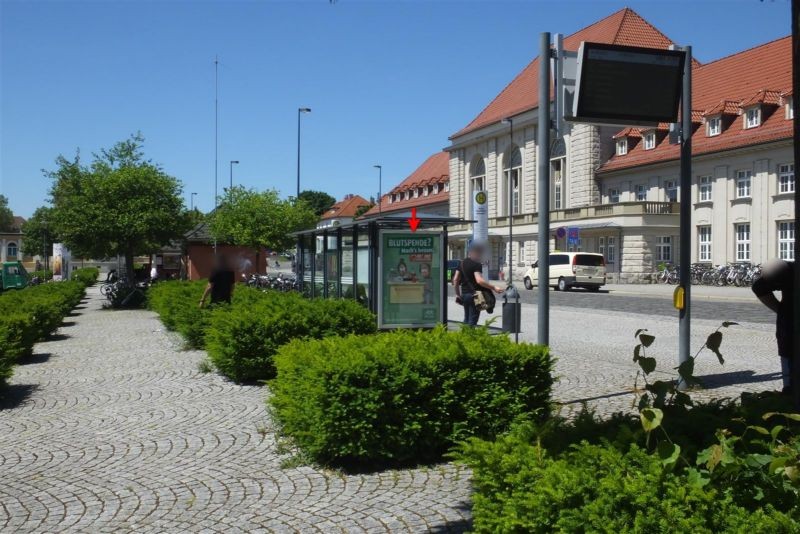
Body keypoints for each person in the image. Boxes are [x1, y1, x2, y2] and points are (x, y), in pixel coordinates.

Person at [752, 259, 795, 395]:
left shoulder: (790, 270)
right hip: (789, 329)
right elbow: (759, 286)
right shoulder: (790, 270)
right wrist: (781, 310)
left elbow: (759, 287)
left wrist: (780, 310)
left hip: (788, 327)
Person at [452, 243, 504, 326]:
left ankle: (463, 336)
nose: (480, 255)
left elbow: (455, 279)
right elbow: (479, 280)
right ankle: (470, 337)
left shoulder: (461, 264)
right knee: (472, 320)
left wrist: (458, 294)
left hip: (464, 294)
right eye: (480, 253)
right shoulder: (476, 264)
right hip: (474, 296)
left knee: (466, 318)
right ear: (477, 252)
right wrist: (494, 287)